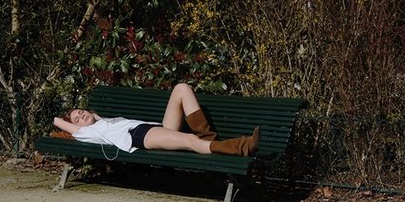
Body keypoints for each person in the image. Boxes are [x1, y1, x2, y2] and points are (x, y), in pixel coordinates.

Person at [51, 82, 257, 157]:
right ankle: (242, 147)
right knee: (190, 141)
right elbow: (57, 121)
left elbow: (91, 115)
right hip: (139, 136)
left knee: (182, 89)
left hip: (154, 128)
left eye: (81, 111)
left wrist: (94, 116)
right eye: (76, 118)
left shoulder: (103, 121)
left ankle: (208, 139)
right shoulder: (87, 133)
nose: (81, 116)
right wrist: (68, 121)